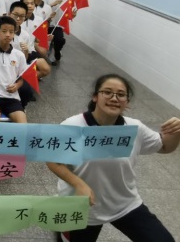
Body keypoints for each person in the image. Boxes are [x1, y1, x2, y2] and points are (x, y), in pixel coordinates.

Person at [47, 74, 180, 242]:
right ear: (95, 97)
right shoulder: (72, 125)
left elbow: (166, 147)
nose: (114, 98)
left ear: (127, 102)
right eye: (107, 92)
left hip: (124, 204)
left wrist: (176, 132)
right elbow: (53, 160)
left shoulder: (135, 128)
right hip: (83, 206)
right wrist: (79, 184)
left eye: (121, 94)